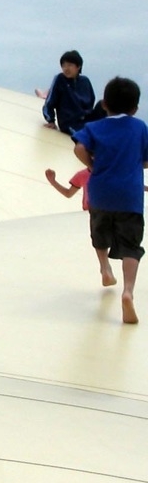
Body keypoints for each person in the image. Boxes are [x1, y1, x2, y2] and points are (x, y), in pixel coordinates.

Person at [71, 77, 148, 324]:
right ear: (135, 107)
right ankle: (127, 292)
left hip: (101, 193)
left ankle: (105, 268)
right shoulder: (139, 127)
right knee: (130, 244)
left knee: (100, 232)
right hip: (129, 196)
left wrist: (93, 166)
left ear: (104, 104)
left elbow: (78, 148)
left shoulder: (95, 127)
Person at [40, 50, 95, 134]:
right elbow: (49, 102)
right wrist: (50, 120)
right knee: (85, 135)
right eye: (64, 65)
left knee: (103, 106)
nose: (66, 68)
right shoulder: (60, 79)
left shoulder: (85, 81)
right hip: (70, 122)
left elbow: (91, 101)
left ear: (78, 67)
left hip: (86, 120)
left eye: (70, 65)